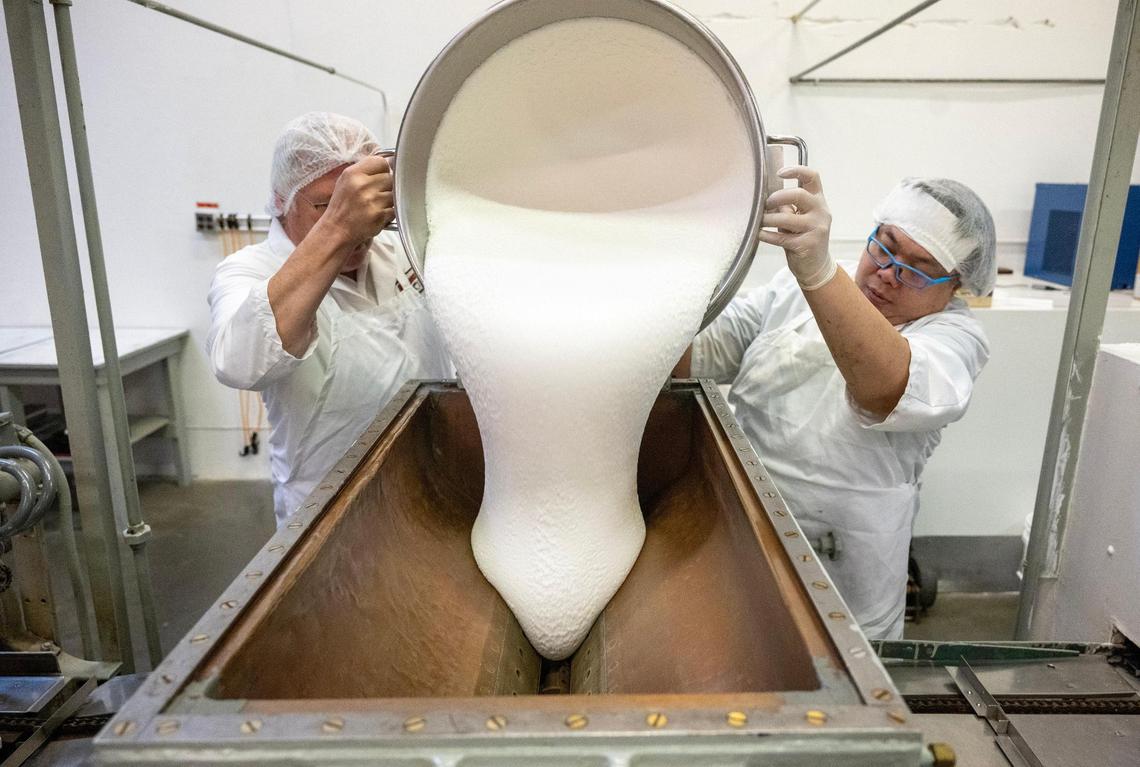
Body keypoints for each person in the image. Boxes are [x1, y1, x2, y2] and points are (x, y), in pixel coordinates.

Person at [678, 167, 996, 640]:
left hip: (844, 581)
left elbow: (886, 389)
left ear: (955, 286)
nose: (887, 274)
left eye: (916, 269)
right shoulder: (800, 291)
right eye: (884, 245)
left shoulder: (954, 338)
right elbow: (699, 353)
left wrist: (819, 272)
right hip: (744, 535)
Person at [207, 112, 451, 525]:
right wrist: (338, 227)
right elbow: (239, 363)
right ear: (282, 200)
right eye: (325, 204)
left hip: (429, 476)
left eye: (366, 205)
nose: (360, 228)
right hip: (325, 508)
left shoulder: (400, 252)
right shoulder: (249, 270)